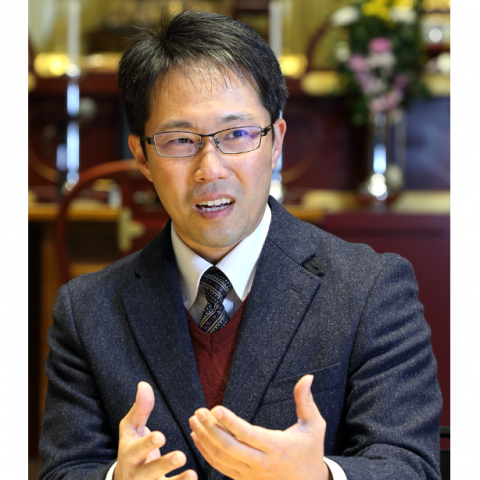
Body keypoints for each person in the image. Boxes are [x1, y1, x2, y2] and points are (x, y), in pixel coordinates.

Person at [38, 9, 442, 480]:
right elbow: (65, 469)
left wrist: (321, 475)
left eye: (237, 134)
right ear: (142, 157)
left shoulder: (370, 290)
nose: (209, 169)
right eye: (180, 140)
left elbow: (410, 465)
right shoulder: (86, 312)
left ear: (276, 142)